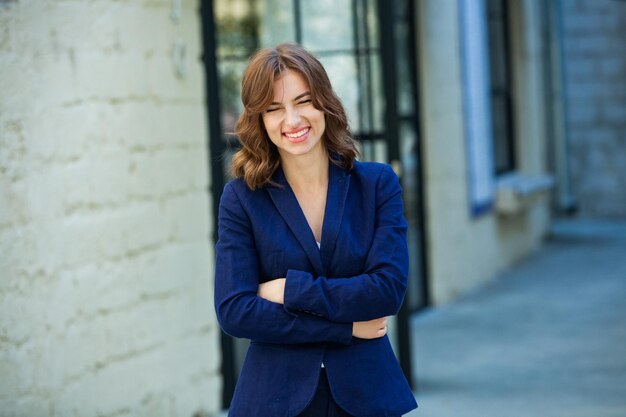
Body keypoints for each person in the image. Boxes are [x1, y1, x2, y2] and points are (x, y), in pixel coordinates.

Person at [214, 43, 418, 417]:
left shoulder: (376, 185)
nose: (292, 120)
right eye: (274, 109)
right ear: (259, 119)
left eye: (303, 101)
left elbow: (386, 290)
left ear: (325, 103)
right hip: (274, 399)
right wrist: (344, 329)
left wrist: (290, 288)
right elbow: (235, 311)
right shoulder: (241, 198)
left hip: (367, 396)